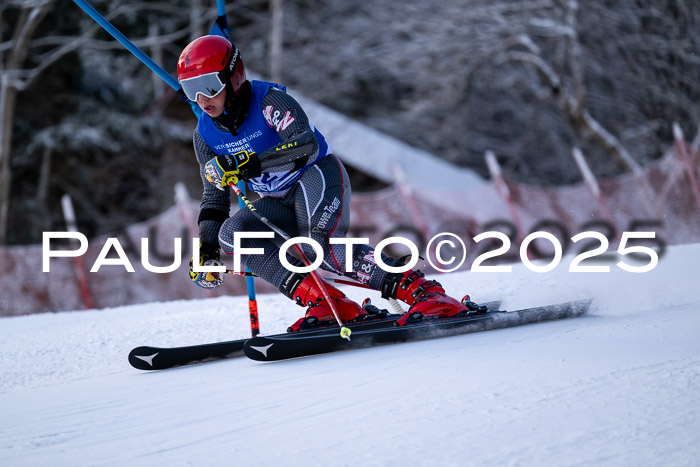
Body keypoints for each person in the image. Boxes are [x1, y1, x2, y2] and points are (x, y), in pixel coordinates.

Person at [178, 35, 473, 331]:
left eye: (209, 86)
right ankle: (327, 303)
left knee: (322, 246)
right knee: (232, 235)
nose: (202, 99)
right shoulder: (204, 136)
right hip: (278, 199)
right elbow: (213, 196)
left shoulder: (270, 102)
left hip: (315, 175)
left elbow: (305, 145)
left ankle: (424, 291)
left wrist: (247, 163)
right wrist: (207, 250)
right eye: (191, 89)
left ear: (234, 76)